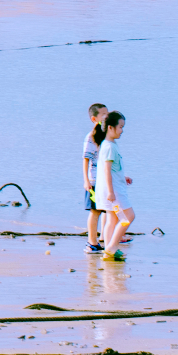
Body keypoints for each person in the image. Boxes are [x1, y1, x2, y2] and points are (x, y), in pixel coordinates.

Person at [94, 110, 133, 260]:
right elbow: (106, 171)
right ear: (110, 127)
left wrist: (124, 177)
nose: (122, 131)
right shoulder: (109, 146)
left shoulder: (108, 144)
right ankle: (111, 247)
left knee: (112, 219)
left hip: (111, 190)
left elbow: (112, 170)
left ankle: (109, 248)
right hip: (114, 192)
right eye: (120, 127)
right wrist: (111, 192)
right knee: (128, 217)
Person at [81, 101, 109, 253]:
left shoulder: (107, 135)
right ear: (94, 119)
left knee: (107, 210)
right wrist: (86, 180)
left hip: (106, 180)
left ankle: (105, 237)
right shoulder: (91, 137)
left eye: (107, 113)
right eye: (103, 114)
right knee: (95, 211)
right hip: (94, 180)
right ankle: (91, 242)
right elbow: (85, 159)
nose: (107, 116)